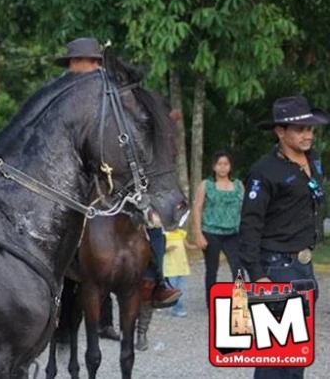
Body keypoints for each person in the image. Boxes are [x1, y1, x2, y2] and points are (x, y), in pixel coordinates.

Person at [54, 37, 181, 309]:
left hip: (111, 176)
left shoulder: (112, 95)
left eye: (94, 62)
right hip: (71, 171)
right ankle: (50, 285)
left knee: (151, 218)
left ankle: (155, 280)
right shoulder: (58, 95)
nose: (88, 67)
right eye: (82, 61)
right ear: (71, 64)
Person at [240, 95, 326, 379]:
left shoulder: (313, 161)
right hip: (275, 268)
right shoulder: (264, 171)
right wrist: (257, 274)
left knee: (296, 353)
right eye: (300, 129)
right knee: (274, 355)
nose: (307, 135)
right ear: (280, 131)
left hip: (304, 266)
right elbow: (250, 224)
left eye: (310, 129)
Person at [191, 151, 245, 309]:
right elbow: (197, 208)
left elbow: (245, 209)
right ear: (214, 166)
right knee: (212, 269)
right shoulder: (206, 185)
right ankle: (211, 303)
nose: (222, 167)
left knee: (238, 268)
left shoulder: (238, 185)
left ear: (230, 166)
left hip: (233, 233)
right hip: (211, 232)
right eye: (219, 164)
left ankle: (240, 301)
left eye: (226, 164)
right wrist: (198, 234)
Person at [164, 227, 192, 317]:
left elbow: (188, 246)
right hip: (170, 267)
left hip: (181, 266)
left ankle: (177, 308)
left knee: (181, 289)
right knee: (172, 288)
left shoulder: (181, 234)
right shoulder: (164, 235)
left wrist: (199, 246)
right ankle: (176, 307)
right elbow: (160, 249)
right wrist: (167, 249)